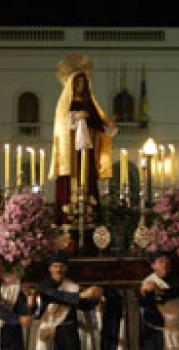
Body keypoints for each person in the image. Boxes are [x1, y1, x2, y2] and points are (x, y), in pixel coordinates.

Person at [48, 53, 115, 223]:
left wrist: (108, 127)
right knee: (71, 179)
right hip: (70, 150)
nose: (79, 85)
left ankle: (89, 216)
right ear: (71, 83)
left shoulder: (89, 103)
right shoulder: (65, 102)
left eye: (82, 82)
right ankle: (67, 219)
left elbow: (98, 123)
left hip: (86, 146)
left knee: (87, 177)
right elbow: (63, 122)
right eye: (76, 82)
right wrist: (76, 117)